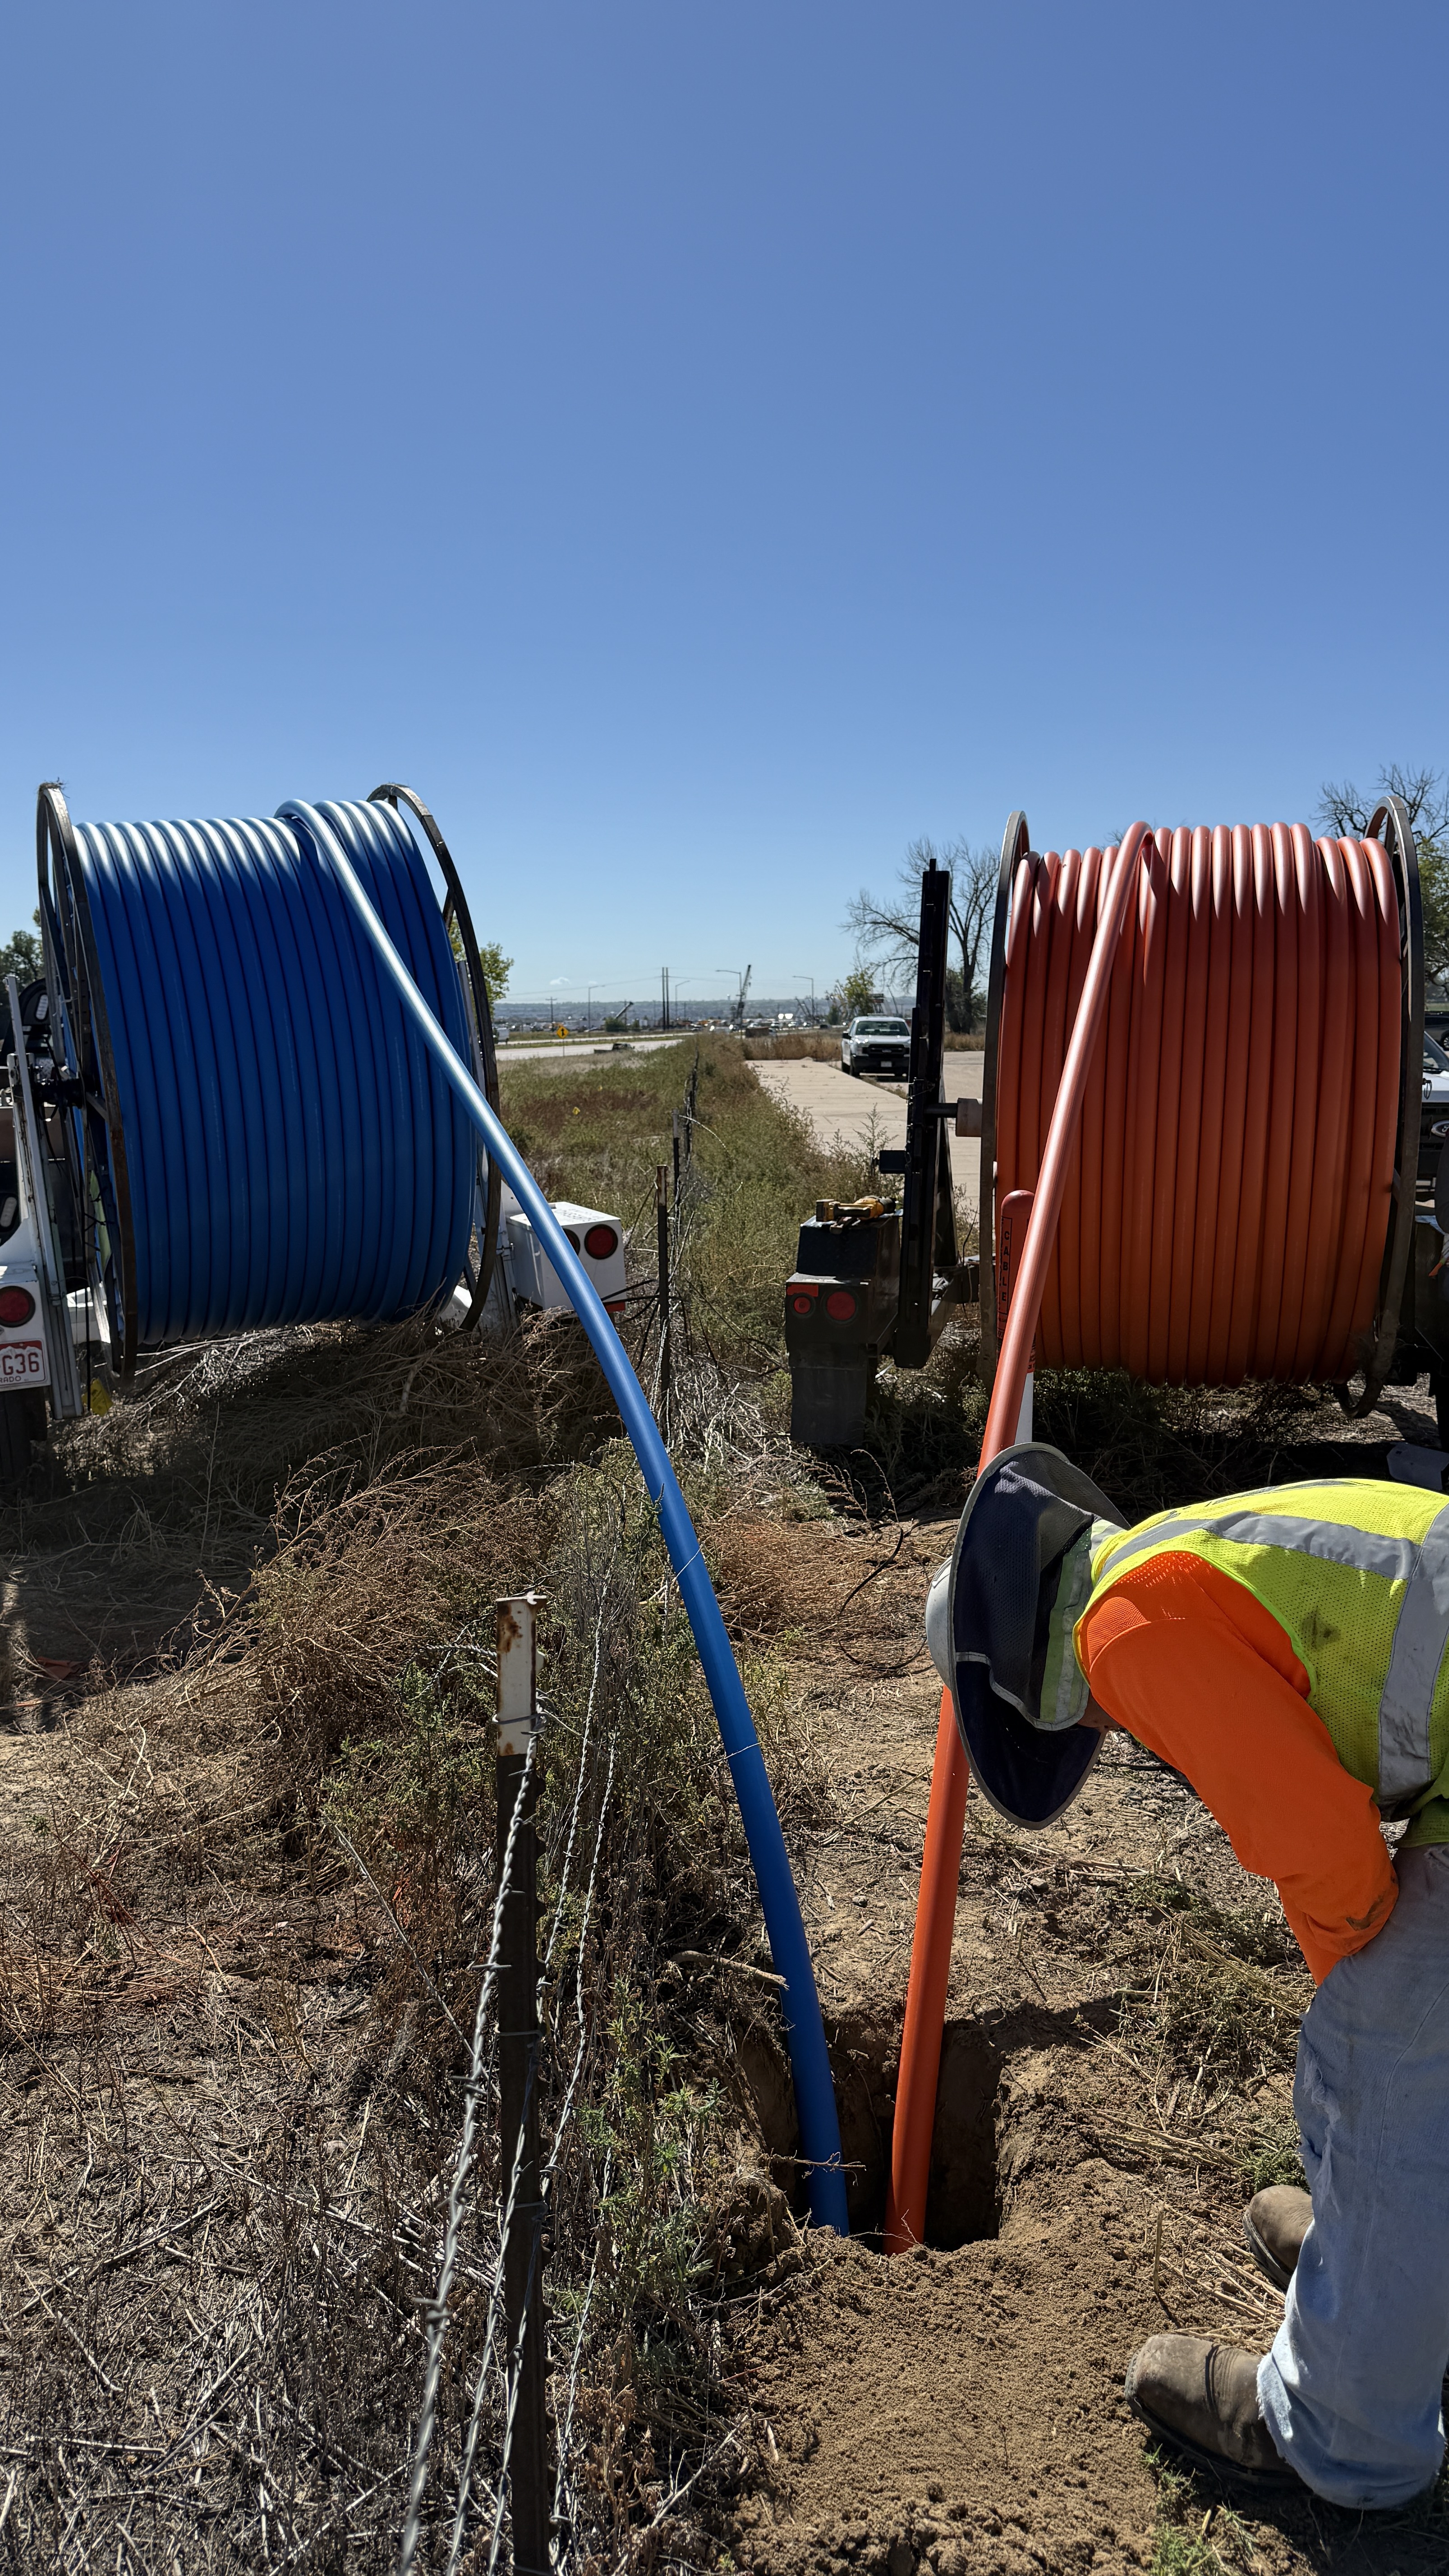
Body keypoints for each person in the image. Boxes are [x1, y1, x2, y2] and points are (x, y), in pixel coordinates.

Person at [925, 1444, 1449, 2509]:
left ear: (1025, 1689)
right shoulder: (1169, 1562)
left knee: (1383, 2074)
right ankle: (1380, 2264)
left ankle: (1342, 2434)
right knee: (1393, 2058)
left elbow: (1323, 1846)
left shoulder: (1123, 1633)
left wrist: (1356, 2011)